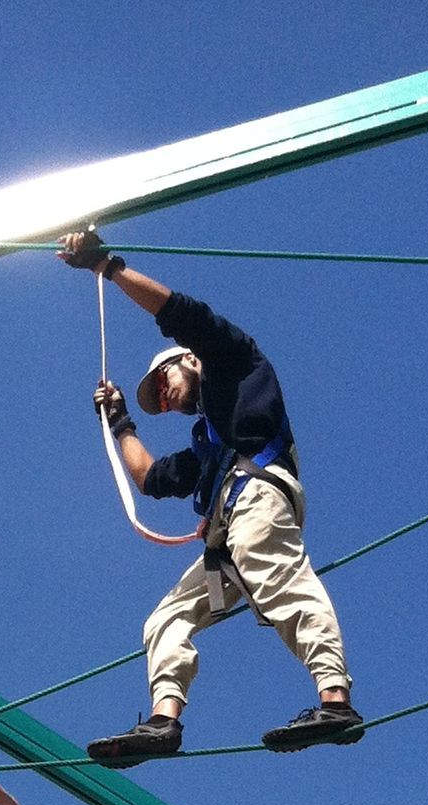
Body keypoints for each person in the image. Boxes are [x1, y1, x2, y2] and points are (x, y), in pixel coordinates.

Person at [58, 226, 363, 765]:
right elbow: (150, 478)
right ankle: (163, 722)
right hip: (227, 529)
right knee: (165, 619)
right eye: (157, 399)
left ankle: (335, 700)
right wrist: (122, 421)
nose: (167, 399)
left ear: (189, 361)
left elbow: (182, 314)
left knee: (275, 574)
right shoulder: (206, 450)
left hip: (259, 500)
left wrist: (109, 267)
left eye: (164, 382)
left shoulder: (235, 361)